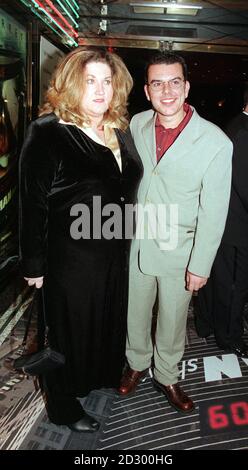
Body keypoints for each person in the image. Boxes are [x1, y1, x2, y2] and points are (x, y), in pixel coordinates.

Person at [19, 47, 143, 432]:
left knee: (103, 321)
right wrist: (34, 264)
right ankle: (61, 405)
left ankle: (92, 378)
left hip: (114, 251)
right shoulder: (48, 132)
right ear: (72, 84)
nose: (101, 89)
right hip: (69, 259)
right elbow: (32, 203)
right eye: (90, 80)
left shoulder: (119, 128)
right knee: (65, 331)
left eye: (107, 81)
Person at [118, 51, 233, 413]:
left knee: (171, 321)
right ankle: (136, 364)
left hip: (180, 250)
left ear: (186, 87)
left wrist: (200, 264)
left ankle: (166, 375)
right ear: (147, 91)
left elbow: (214, 210)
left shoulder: (216, 142)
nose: (166, 91)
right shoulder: (136, 124)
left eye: (174, 82)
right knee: (134, 311)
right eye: (157, 83)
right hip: (135, 242)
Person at [195, 85, 248, 357]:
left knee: (219, 282)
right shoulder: (242, 132)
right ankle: (229, 338)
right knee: (234, 286)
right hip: (236, 228)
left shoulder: (237, 126)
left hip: (227, 224)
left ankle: (205, 325)